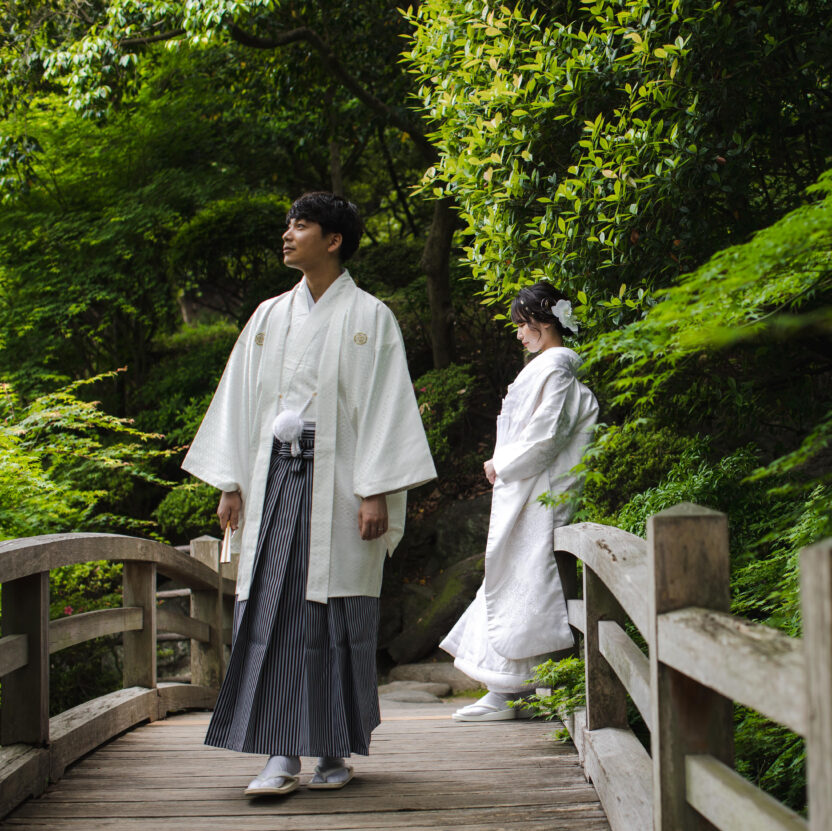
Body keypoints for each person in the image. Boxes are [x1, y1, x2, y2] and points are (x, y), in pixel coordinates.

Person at [182, 192, 436, 795]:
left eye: (301, 225)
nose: (288, 233)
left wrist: (375, 491)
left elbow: (385, 408)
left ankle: (331, 750)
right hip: (273, 478)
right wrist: (230, 483)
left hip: (342, 484)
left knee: (334, 613)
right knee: (269, 610)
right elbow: (239, 401)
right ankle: (278, 755)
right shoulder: (268, 316)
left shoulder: (372, 317)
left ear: (334, 240)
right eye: (289, 224)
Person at [441, 282, 599, 721]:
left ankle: (509, 693)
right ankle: (512, 690)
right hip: (531, 491)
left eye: (523, 324)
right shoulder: (551, 369)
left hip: (538, 492)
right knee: (517, 582)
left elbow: (546, 435)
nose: (519, 333)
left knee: (525, 584)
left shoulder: (555, 370)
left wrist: (501, 463)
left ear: (545, 322)